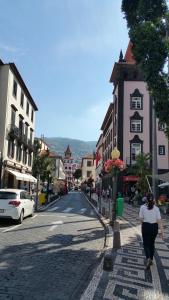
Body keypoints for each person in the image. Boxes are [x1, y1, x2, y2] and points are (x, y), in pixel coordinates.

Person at [139, 193, 164, 270]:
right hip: (154, 227)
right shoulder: (156, 209)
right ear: (153, 199)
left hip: (146, 226)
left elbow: (140, 219)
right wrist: (161, 232)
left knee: (146, 244)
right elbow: (159, 221)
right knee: (152, 244)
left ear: (146, 199)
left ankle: (148, 258)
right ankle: (151, 259)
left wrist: (144, 223)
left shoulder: (142, 207)